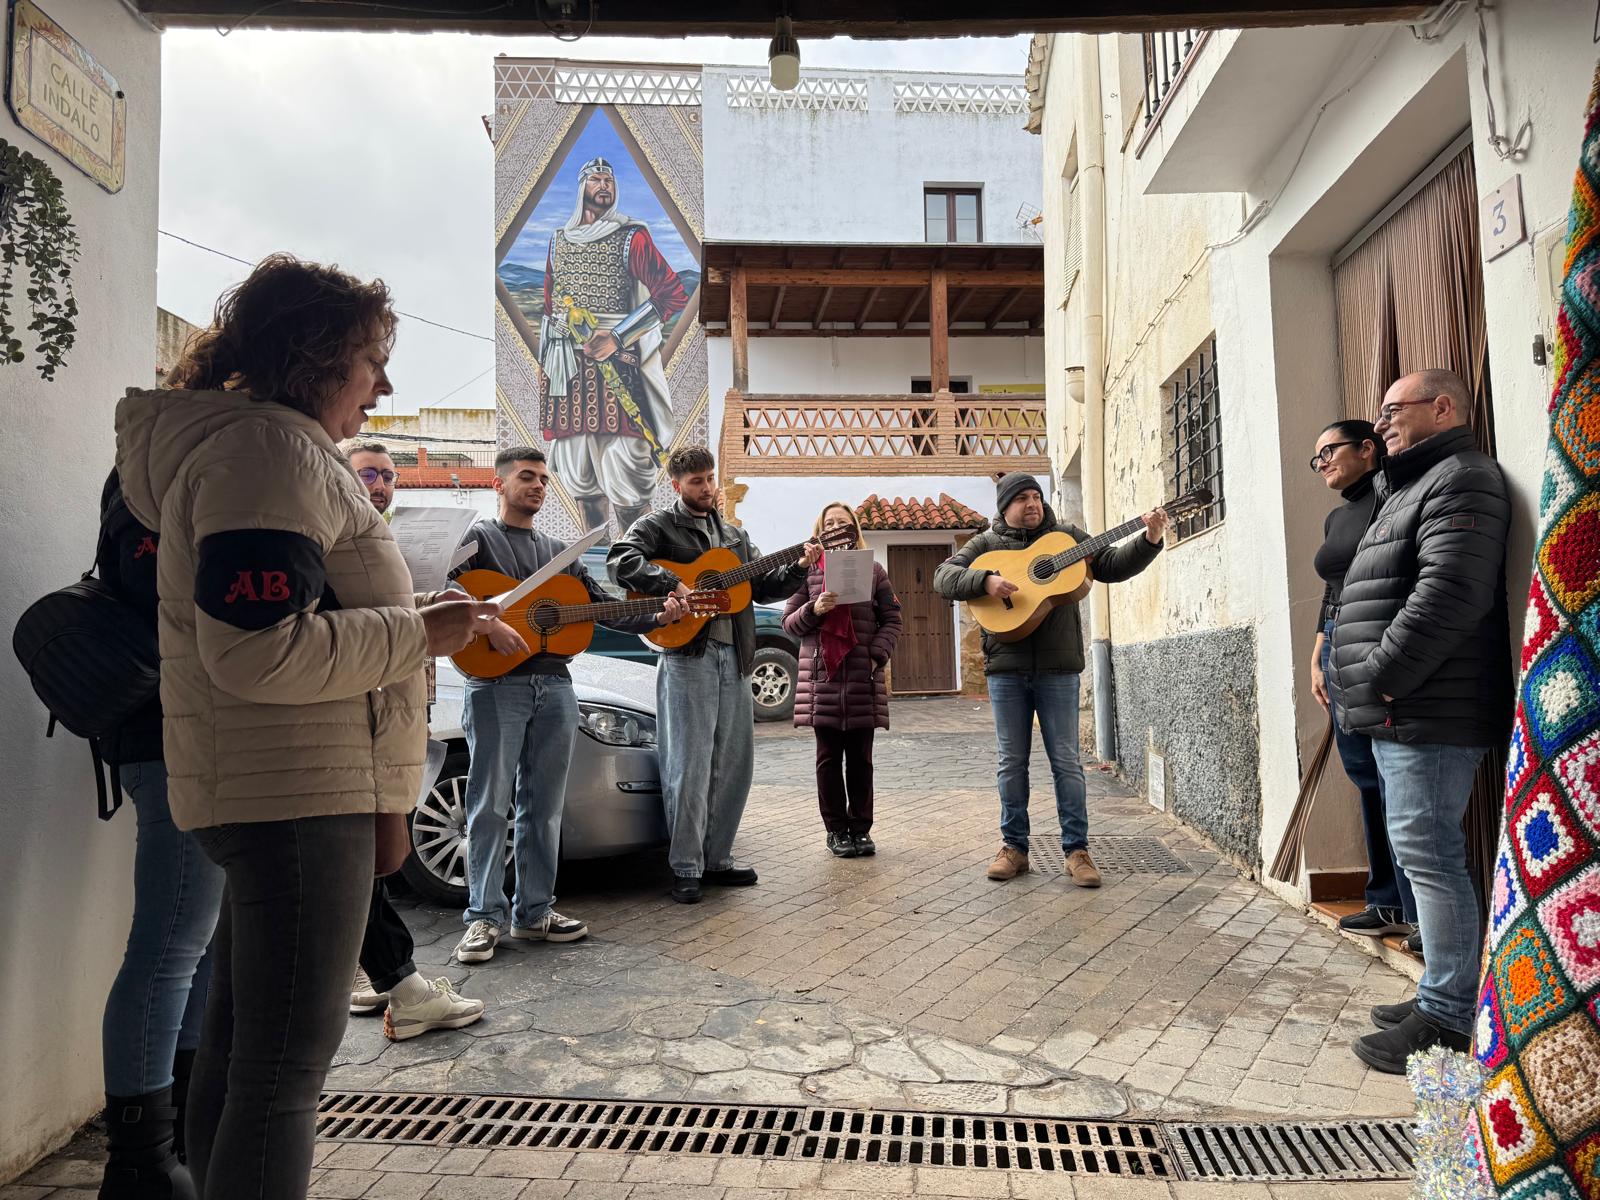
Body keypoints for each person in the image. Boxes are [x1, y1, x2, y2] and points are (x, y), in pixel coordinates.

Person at [115, 253, 498, 1199]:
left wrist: (412, 616)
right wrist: (420, 632)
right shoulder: (267, 454)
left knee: (244, 1056)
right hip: (293, 796)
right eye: (372, 357)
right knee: (281, 1078)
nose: (385, 383)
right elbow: (255, 650)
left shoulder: (259, 448)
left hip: (274, 789)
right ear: (318, 357)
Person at [1328, 368, 1512, 1073]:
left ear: (1443, 407)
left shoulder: (1463, 477)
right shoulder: (1410, 485)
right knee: (1421, 852)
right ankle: (1444, 987)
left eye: (1393, 410)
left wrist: (1382, 677)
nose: (1382, 425)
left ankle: (1448, 1013)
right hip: (1405, 708)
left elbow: (1450, 594)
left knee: (1429, 854)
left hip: (1425, 708)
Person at [452, 447, 687, 964]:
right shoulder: (476, 540)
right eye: (525, 477)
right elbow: (445, 591)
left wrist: (660, 614)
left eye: (542, 478)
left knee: (544, 805)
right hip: (495, 686)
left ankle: (534, 912)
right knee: (489, 804)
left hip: (556, 685)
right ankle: (483, 917)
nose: (536, 486)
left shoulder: (562, 551)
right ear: (499, 485)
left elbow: (603, 608)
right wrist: (490, 622)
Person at [608, 445, 819, 904]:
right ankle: (685, 865)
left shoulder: (735, 536)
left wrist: (799, 567)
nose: (707, 488)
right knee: (689, 762)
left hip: (737, 658)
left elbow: (764, 585)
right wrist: (671, 583)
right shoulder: (657, 526)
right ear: (677, 485)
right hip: (688, 655)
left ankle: (717, 858)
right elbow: (621, 559)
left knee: (734, 763)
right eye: (697, 482)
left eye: (710, 479)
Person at [934, 474, 1168, 887]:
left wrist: (1147, 540)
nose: (1033, 503)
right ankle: (1014, 849)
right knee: (1012, 762)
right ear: (1005, 506)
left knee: (1066, 762)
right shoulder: (986, 545)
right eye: (1022, 498)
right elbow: (943, 577)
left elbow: (1111, 565)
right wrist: (985, 580)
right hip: (1006, 670)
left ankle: (1077, 851)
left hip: (1059, 670)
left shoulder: (1066, 539)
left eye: (1036, 496)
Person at [95, 469, 224, 1200]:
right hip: (173, 733)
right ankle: (141, 1161)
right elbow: (174, 597)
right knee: (173, 942)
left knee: (193, 942)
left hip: (191, 733)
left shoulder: (160, 471)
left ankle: (173, 1137)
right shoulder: (156, 477)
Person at [341, 440, 485, 1040]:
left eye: (389, 477)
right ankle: (394, 980)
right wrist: (421, 617)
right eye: (369, 473)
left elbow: (387, 615)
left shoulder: (378, 542)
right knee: (364, 860)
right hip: (356, 726)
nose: (381, 485)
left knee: (374, 859)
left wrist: (438, 602)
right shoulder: (336, 539)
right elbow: (354, 627)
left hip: (398, 714)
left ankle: (384, 974)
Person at [1307, 421, 1419, 948]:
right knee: (1365, 778)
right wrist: (1318, 649)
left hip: (1377, 650)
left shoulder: (1391, 500)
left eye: (1330, 451)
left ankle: (1418, 913)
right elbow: (1335, 589)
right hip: (1337, 648)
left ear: (1368, 449)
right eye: (1317, 458)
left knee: (1397, 778)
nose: (1323, 462)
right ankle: (1386, 900)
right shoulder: (1337, 515)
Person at [538, 156, 689, 535]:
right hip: (569, 374)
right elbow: (547, 306)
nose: (604, 184)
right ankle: (593, 578)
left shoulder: (631, 237)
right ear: (581, 188)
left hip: (617, 366)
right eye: (596, 179)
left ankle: (636, 569)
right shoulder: (558, 242)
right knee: (580, 474)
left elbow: (671, 294)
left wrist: (618, 336)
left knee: (629, 472)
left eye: (609, 179)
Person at [782, 503, 902, 858]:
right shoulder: (806, 574)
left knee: (862, 761)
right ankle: (836, 831)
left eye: (843, 523)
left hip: (862, 678)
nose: (836, 528)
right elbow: (788, 623)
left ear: (854, 530)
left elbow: (892, 619)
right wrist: (814, 609)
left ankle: (861, 830)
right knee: (828, 760)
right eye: (829, 523)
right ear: (819, 531)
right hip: (822, 680)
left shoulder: (874, 571)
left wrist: (875, 655)